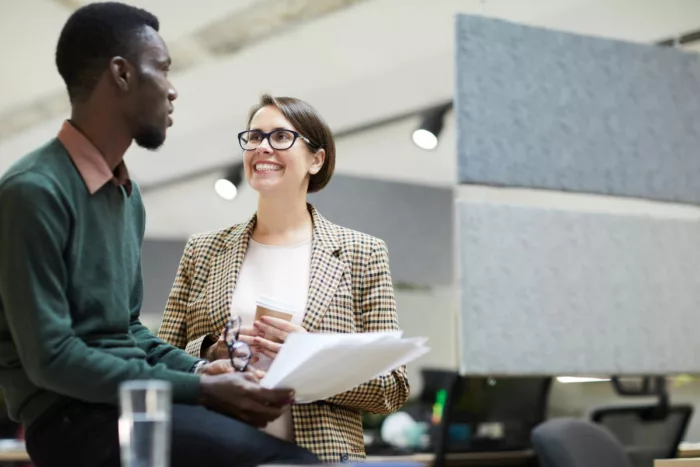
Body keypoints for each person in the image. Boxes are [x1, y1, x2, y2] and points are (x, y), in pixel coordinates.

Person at [0, 3, 319, 467]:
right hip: (72, 420)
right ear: (122, 74)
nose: (172, 91)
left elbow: (126, 331)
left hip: (131, 405)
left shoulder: (127, 196)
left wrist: (199, 367)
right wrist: (203, 388)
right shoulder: (32, 191)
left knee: (291, 456)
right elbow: (53, 359)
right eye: (163, 69)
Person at [157, 94, 411, 463]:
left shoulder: (363, 253)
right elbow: (157, 364)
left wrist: (314, 357)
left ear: (316, 159)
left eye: (280, 137)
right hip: (214, 450)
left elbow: (393, 388)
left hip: (320, 457)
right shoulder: (203, 250)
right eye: (255, 137)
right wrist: (210, 353)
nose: (263, 147)